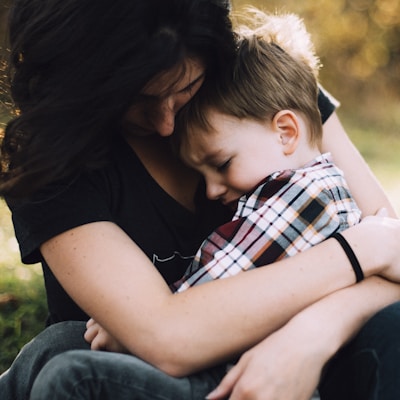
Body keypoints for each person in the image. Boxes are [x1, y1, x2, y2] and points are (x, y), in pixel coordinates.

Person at [0, 1, 400, 399]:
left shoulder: (262, 87)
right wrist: (363, 249)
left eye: (185, 89)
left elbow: (395, 268)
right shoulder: (50, 159)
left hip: (293, 374)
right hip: (136, 379)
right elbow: (166, 336)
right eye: (135, 101)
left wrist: (311, 334)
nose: (165, 125)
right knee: (62, 348)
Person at [170, 12, 362, 292]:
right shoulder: (316, 189)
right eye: (201, 175)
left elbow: (211, 289)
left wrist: (136, 321)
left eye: (222, 164)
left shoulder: (305, 196)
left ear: (285, 132)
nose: (211, 191)